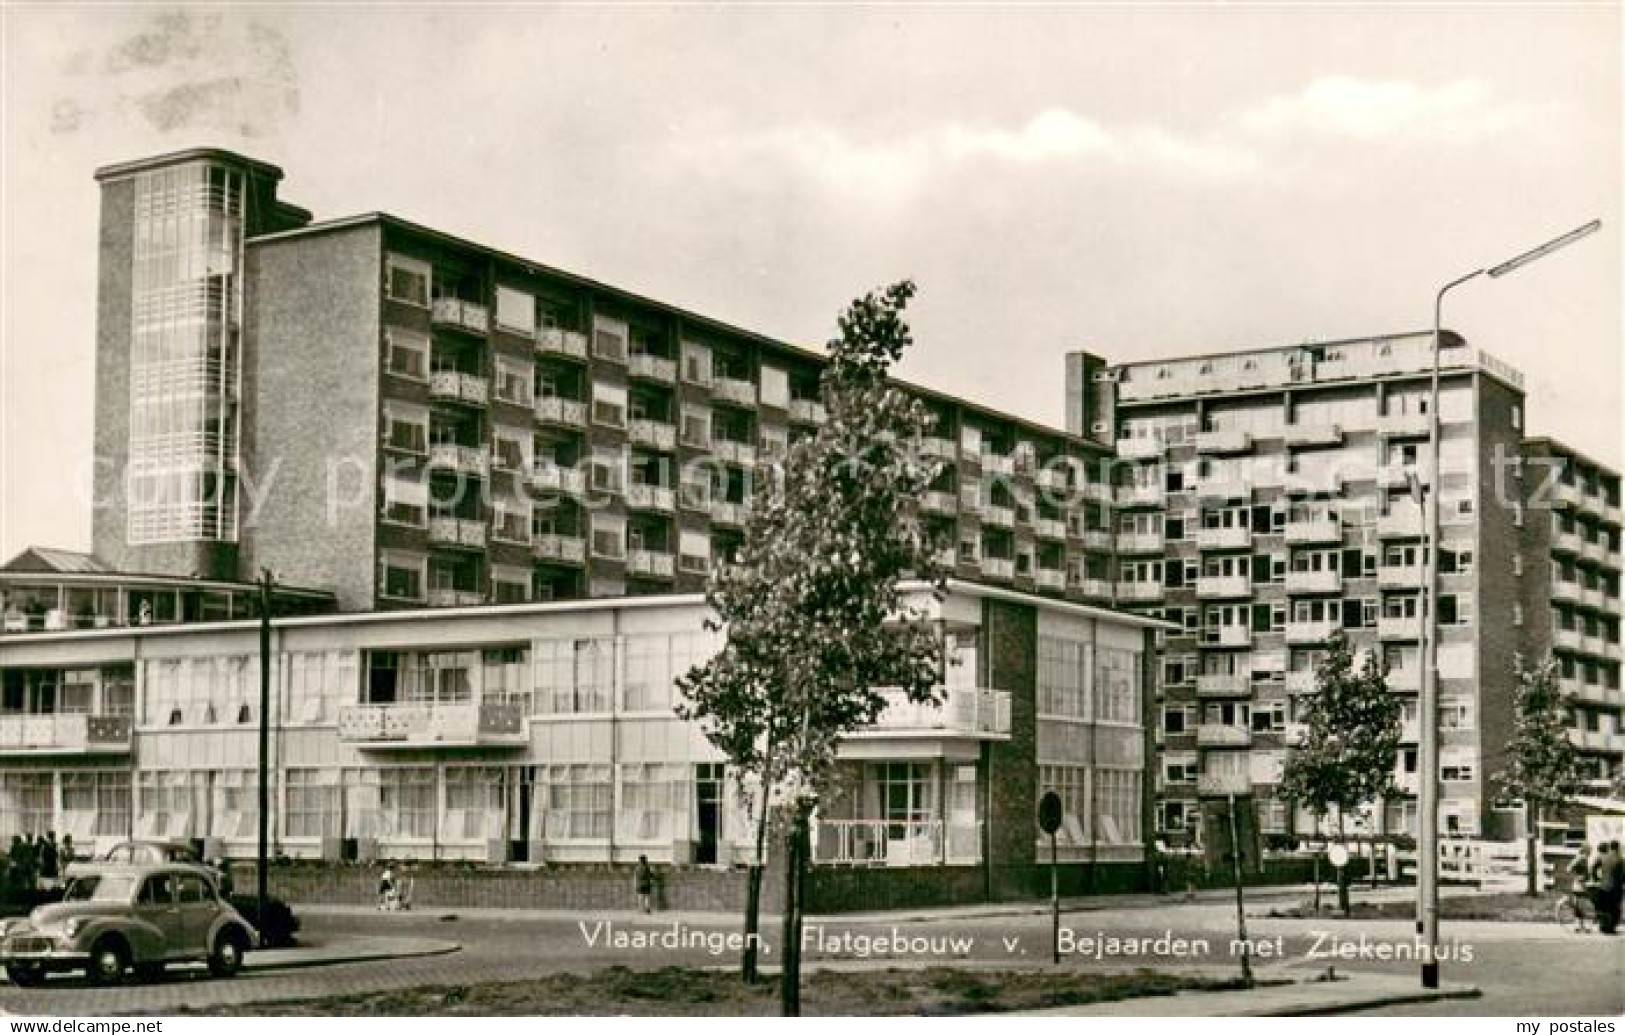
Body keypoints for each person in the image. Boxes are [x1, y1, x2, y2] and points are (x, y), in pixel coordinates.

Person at [1598, 841, 1624, 936]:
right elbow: (1622, 875)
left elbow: (1594, 866)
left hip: (1603, 886)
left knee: (1604, 908)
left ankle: (1603, 927)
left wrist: (1597, 878)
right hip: (1615, 888)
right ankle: (1611, 928)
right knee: (1614, 909)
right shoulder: (1620, 859)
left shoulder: (1603, 857)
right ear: (1617, 848)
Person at [1567, 844, 1594, 932]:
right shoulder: (1580, 858)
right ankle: (1580, 926)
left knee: (1580, 905)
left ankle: (1579, 926)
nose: (1590, 852)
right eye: (1590, 850)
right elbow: (1569, 868)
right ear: (1585, 850)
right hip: (1579, 885)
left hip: (1580, 884)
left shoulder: (1583, 858)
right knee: (1581, 905)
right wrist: (1578, 877)